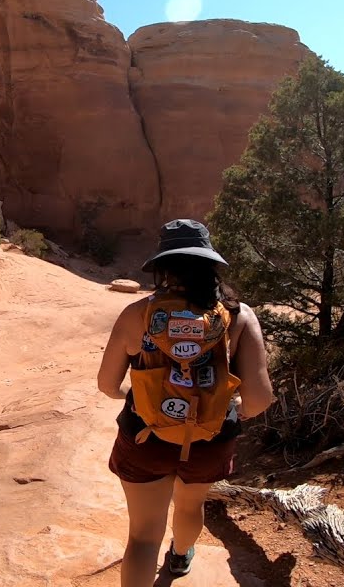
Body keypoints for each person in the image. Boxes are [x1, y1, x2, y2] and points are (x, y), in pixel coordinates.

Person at [97, 219, 275, 584]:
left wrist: (133, 395)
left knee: (143, 536)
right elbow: (259, 399)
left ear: (163, 266)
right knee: (191, 505)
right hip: (210, 439)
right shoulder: (239, 316)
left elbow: (106, 384)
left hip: (146, 436)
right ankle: (179, 558)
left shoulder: (137, 315)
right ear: (210, 262)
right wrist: (226, 409)